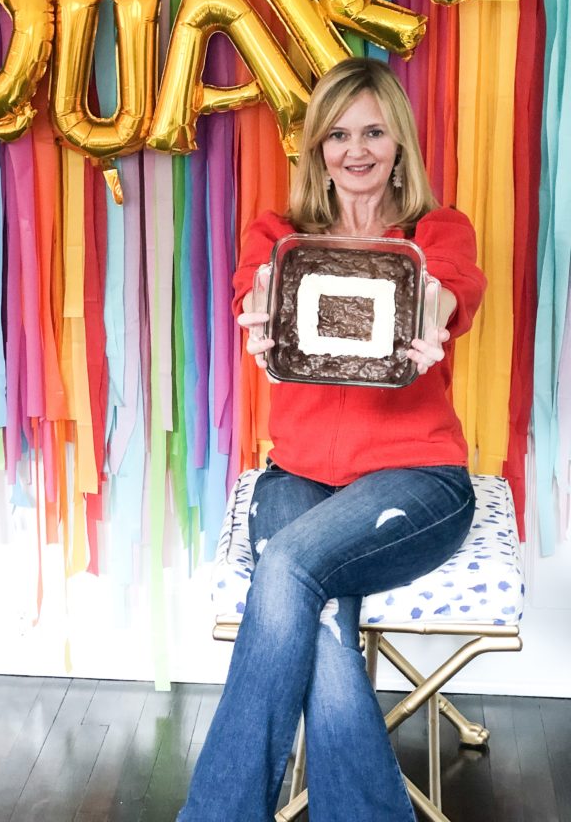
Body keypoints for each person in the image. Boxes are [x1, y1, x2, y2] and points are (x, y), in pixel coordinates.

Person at [177, 58, 486, 822]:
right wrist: (258, 314)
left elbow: (445, 287)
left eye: (375, 131)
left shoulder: (436, 231)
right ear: (316, 148)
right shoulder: (279, 238)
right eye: (340, 134)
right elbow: (258, 290)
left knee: (285, 566)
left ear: (400, 144)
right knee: (323, 634)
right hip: (300, 476)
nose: (358, 150)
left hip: (419, 481)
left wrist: (429, 315)